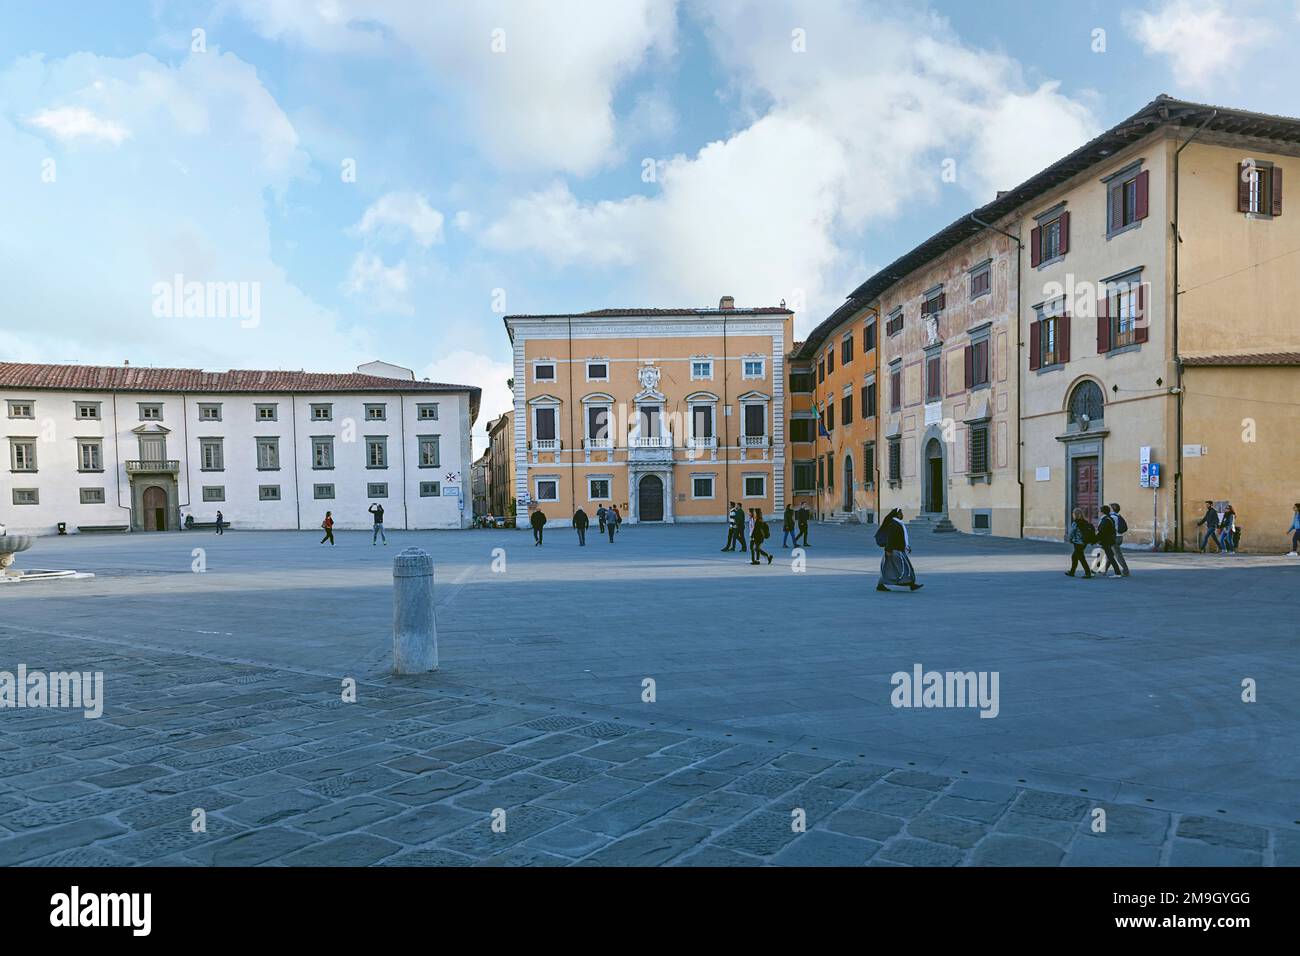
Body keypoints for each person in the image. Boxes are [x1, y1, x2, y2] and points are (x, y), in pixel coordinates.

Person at [875, 508, 921, 592]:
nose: (902, 515)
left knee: (888, 568)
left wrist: (906, 546)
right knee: (905, 568)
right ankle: (911, 584)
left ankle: (881, 585)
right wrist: (888, 550)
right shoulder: (894, 525)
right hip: (894, 551)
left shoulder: (898, 524)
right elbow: (890, 538)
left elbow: (901, 538)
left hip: (895, 550)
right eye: (900, 513)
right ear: (896, 515)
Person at [1065, 507, 1095, 578]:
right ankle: (1072, 572)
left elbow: (1071, 533)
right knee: (1074, 556)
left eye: (1073, 513)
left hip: (1077, 543)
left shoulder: (1075, 523)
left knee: (1081, 558)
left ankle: (1088, 573)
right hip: (1084, 542)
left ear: (1075, 514)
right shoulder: (1085, 522)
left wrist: (1069, 539)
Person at [1096, 505, 1122, 577]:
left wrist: (1095, 539)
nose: (1098, 512)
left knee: (1109, 556)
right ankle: (1117, 572)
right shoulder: (1108, 518)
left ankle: (1094, 570)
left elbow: (1102, 532)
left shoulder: (1106, 520)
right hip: (1108, 540)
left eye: (1099, 511)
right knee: (1104, 555)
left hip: (1106, 541)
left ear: (1102, 512)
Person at [1108, 502, 1131, 576]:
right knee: (1110, 553)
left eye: (1110, 508)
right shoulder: (1119, 516)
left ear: (1112, 509)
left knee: (1118, 555)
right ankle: (1103, 569)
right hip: (1120, 537)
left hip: (1114, 538)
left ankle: (1126, 571)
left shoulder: (1112, 517)